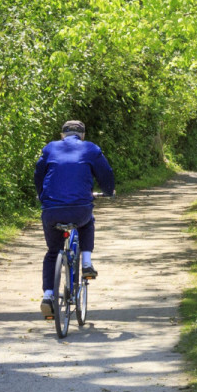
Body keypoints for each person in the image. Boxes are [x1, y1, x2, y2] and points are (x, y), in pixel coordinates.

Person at [33, 119, 115, 319]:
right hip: (80, 209)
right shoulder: (90, 149)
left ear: (63, 135)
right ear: (82, 135)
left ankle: (48, 295)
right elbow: (106, 173)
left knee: (53, 252)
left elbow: (38, 174)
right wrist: (108, 191)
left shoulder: (50, 148)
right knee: (87, 221)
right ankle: (86, 261)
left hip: (52, 210)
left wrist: (41, 194)